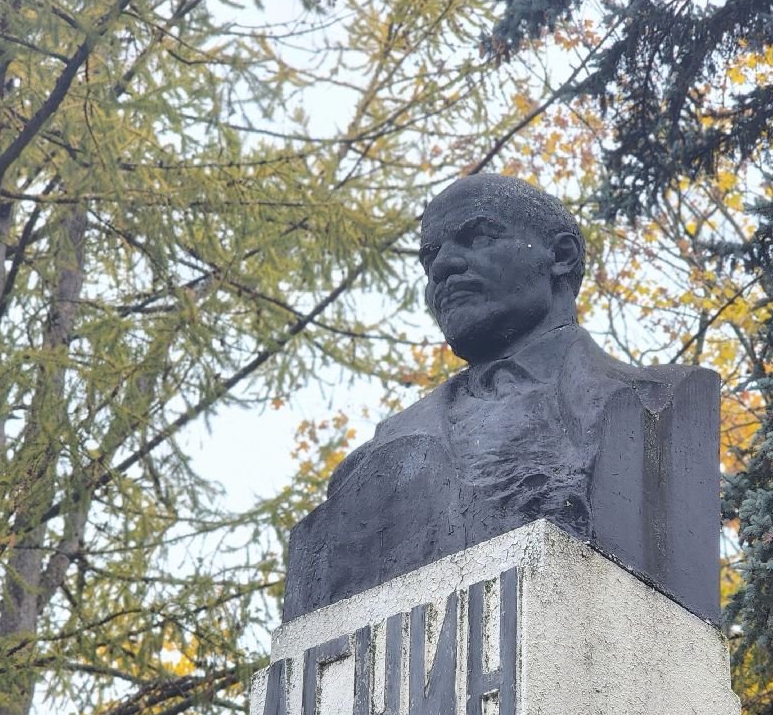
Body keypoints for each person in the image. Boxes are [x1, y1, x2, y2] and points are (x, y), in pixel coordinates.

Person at [283, 174, 719, 622]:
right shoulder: (369, 465)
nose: (443, 267)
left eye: (478, 237)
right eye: (429, 258)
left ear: (561, 257)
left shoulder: (653, 408)